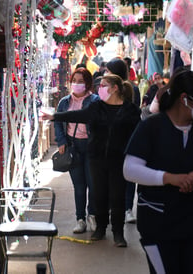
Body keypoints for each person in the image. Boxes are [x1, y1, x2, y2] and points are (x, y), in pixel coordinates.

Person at [123, 70, 193, 273]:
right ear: (185, 99)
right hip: (158, 222)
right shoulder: (151, 127)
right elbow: (130, 169)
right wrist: (168, 178)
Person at [42, 74, 141, 247]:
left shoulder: (130, 110)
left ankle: (118, 232)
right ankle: (100, 229)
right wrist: (55, 117)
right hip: (96, 157)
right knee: (99, 194)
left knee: (117, 195)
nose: (99, 88)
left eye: (103, 85)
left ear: (115, 88)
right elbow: (77, 115)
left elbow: (138, 134)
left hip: (119, 159)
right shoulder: (97, 107)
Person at [54, 68, 99, 233]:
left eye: (80, 81)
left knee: (93, 184)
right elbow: (58, 121)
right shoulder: (64, 102)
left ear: (87, 83)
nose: (76, 84)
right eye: (74, 80)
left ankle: (92, 215)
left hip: (91, 146)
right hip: (73, 147)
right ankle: (80, 219)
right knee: (79, 186)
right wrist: (61, 141)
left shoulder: (95, 101)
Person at [106, 57, 140, 223]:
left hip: (128, 137)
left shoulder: (132, 88)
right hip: (111, 139)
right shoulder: (106, 89)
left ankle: (127, 208)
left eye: (108, 71)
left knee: (129, 174)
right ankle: (117, 207)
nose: (106, 74)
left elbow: (136, 112)